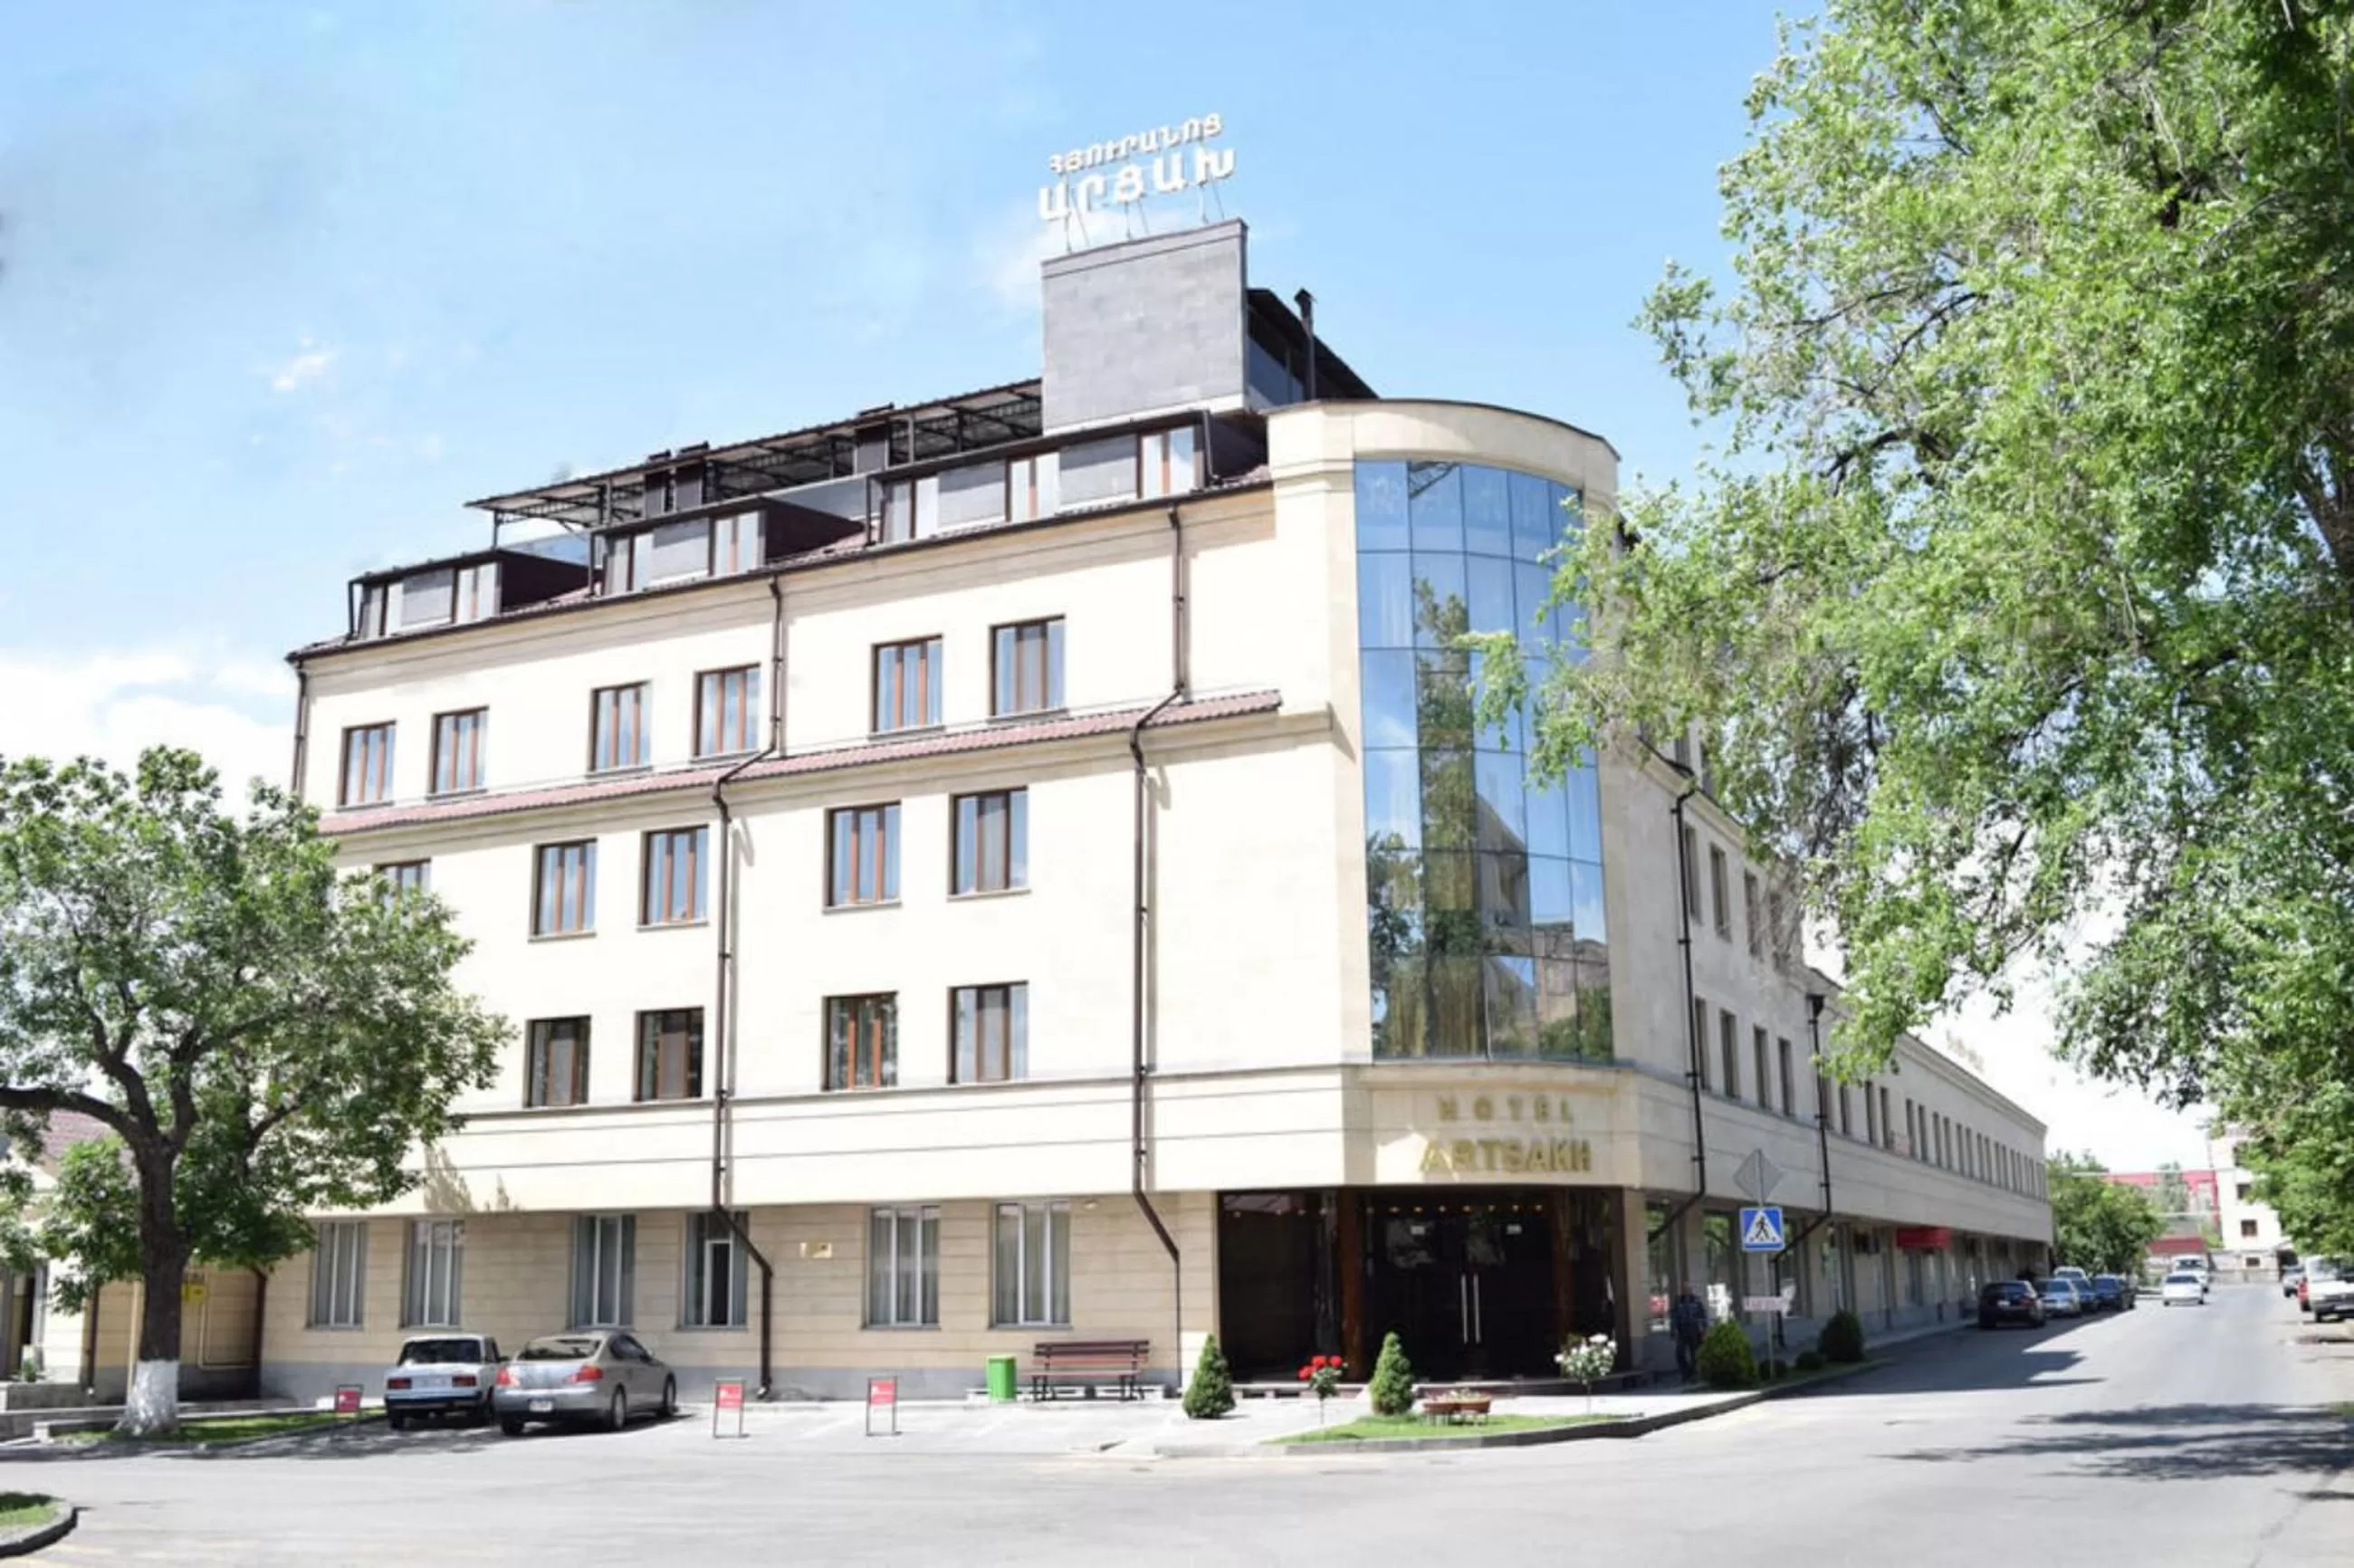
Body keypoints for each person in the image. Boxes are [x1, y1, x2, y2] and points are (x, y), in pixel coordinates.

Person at [1670, 1285, 1708, 1382]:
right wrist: (1673, 1331)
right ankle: (1686, 1372)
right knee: (1680, 1353)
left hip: (1694, 1329)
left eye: (1688, 1289)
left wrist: (1704, 1330)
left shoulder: (1696, 1301)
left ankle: (1694, 1374)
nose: (1686, 1291)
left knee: (1694, 1353)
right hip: (1682, 1329)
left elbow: (1703, 1316)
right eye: (1684, 1289)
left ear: (1691, 1290)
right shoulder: (1678, 1302)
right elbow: (1674, 1317)